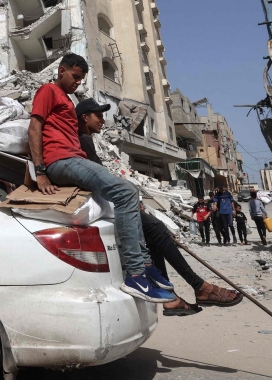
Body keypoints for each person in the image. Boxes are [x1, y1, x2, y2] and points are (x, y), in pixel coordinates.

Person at [29, 54, 175, 303]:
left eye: (81, 79)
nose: (77, 82)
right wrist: (40, 172)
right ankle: (136, 274)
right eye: (74, 76)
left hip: (75, 160)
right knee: (126, 192)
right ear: (61, 70)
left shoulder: (67, 99)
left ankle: (146, 263)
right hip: (61, 161)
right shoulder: (49, 90)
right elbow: (34, 128)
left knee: (129, 190)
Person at [75, 103, 240, 313]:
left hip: (111, 199)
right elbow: (98, 178)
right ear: (84, 117)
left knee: (153, 232)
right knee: (156, 229)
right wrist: (128, 198)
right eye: (97, 115)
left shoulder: (87, 140)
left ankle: (174, 295)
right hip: (106, 202)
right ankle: (197, 287)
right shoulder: (84, 140)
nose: (102, 120)